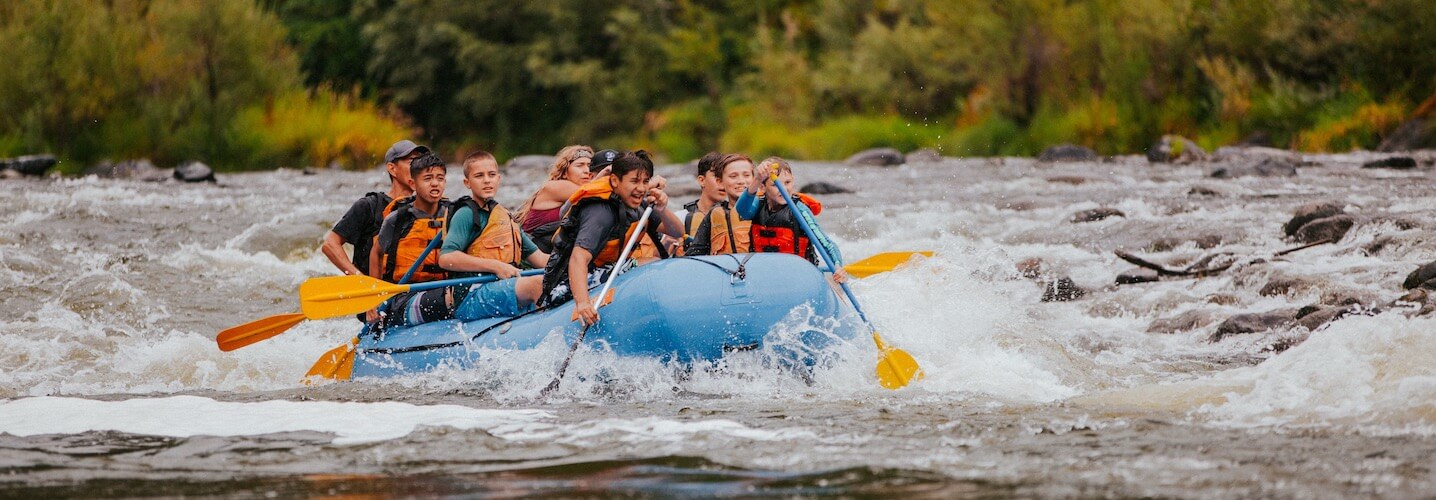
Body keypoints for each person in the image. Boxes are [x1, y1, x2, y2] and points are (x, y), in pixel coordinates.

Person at [539, 150, 683, 326]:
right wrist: (583, 303)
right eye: (634, 181)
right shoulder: (600, 211)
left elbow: (677, 232)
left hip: (605, 268)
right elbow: (578, 258)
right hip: (565, 283)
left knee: (655, 262)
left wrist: (662, 209)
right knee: (649, 264)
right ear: (615, 181)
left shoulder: (637, 203)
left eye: (645, 182)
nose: (641, 188)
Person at [321, 140, 427, 278]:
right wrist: (359, 278)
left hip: (409, 289)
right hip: (373, 290)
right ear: (392, 168)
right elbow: (330, 244)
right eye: (412, 161)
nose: (418, 167)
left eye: (421, 162)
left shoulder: (427, 208)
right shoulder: (369, 206)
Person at [367, 152, 449, 324]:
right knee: (452, 297)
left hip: (444, 287)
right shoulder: (397, 219)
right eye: (427, 178)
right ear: (413, 183)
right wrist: (373, 301)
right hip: (404, 296)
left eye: (440, 178)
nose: (435, 183)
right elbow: (376, 254)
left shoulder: (453, 215)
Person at [736, 157, 844, 272]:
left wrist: (837, 266)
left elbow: (826, 243)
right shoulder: (758, 204)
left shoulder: (799, 210)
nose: (783, 189)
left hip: (798, 272)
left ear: (793, 181)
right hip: (764, 271)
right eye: (775, 185)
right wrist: (757, 179)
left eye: (787, 182)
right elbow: (742, 210)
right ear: (763, 187)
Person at [516, 146, 602, 253]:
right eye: (579, 165)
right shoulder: (555, 187)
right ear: (565, 173)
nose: (587, 171)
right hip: (529, 256)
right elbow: (595, 192)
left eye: (590, 166)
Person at [684, 153, 754, 256]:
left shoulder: (765, 210)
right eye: (733, 176)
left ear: (754, 179)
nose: (741, 181)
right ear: (720, 182)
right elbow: (695, 253)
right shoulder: (713, 216)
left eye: (746, 175)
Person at [669, 151, 725, 256]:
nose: (722, 182)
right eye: (717, 176)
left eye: (726, 176)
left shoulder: (736, 216)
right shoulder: (679, 219)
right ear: (701, 180)